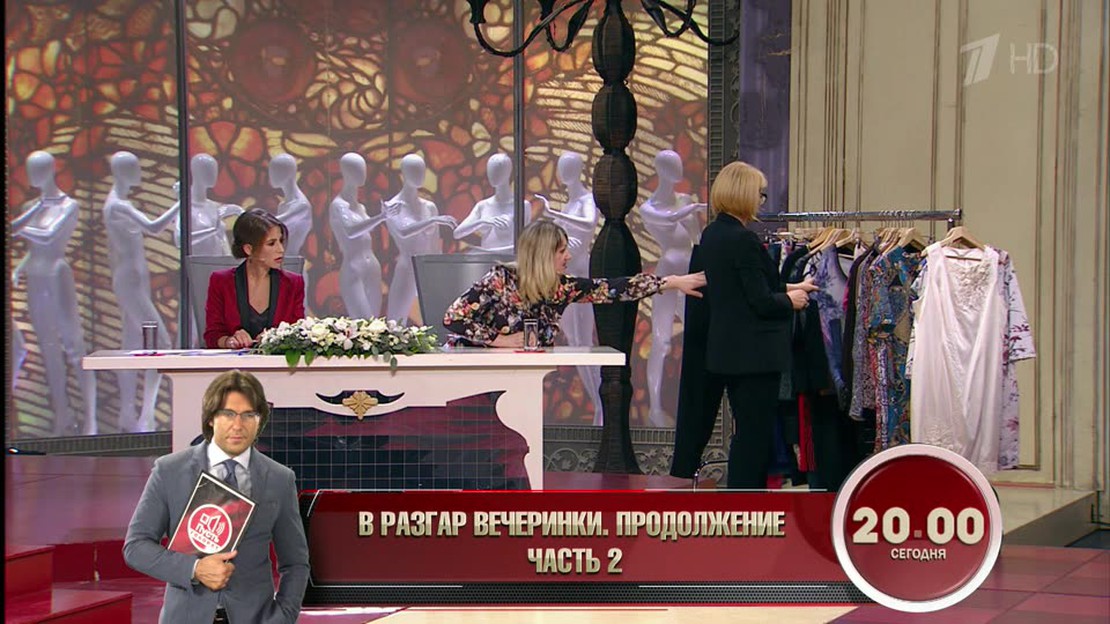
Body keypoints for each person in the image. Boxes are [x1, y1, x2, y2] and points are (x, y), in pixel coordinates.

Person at [123, 370, 309, 624]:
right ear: (211, 418)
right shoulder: (170, 471)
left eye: (249, 415)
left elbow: (296, 563)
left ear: (260, 420)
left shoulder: (279, 479)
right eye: (228, 414)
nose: (238, 425)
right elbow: (136, 547)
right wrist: (194, 569)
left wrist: (283, 617)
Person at [690, 161, 816, 489]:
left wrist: (791, 287)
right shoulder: (743, 239)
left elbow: (739, 287)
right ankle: (746, 502)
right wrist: (791, 301)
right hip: (754, 356)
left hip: (729, 352)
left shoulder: (713, 234)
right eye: (760, 194)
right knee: (753, 438)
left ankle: (744, 499)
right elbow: (759, 300)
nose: (762, 201)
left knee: (748, 432)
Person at [443, 219, 706, 349]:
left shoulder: (562, 288)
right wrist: (500, 340)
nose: (568, 256)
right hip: (474, 372)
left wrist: (670, 282)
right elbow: (453, 318)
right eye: (561, 251)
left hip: (520, 375)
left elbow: (612, 289)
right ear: (542, 255)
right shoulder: (500, 280)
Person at [11, 150, 98, 436]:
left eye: (37, 169)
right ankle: (62, 415)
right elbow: (30, 244)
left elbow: (49, 237)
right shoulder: (33, 206)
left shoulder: (68, 205)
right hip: (36, 278)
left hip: (57, 276)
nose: (32, 176)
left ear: (50, 170)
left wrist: (24, 227)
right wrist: (19, 268)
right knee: (49, 349)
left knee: (74, 347)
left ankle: (91, 419)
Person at [103, 151, 178, 432]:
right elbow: (154, 228)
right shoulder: (118, 205)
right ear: (122, 171)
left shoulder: (121, 203)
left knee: (132, 343)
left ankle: (129, 414)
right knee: (161, 344)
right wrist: (181, 203)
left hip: (135, 280)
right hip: (130, 282)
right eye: (134, 168)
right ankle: (147, 415)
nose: (139, 172)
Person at [533, 152, 603, 424]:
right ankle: (599, 406)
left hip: (580, 272)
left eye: (567, 168)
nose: (563, 173)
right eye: (561, 168)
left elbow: (589, 223)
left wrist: (554, 214)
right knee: (575, 342)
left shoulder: (586, 201)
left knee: (583, 342)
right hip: (563, 276)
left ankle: (601, 408)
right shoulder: (572, 202)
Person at [640, 149, 707, 427]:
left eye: (679, 163)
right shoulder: (649, 208)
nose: (678, 169)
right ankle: (655, 408)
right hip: (668, 275)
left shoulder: (686, 200)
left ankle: (694, 406)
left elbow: (697, 239)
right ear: (660, 169)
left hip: (692, 272)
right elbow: (666, 220)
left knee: (695, 337)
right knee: (662, 340)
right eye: (671, 165)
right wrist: (692, 209)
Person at [204, 209, 306, 349]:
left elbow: (298, 333)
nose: (281, 249)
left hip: (276, 362)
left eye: (281, 241)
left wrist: (275, 338)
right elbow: (212, 335)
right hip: (234, 361)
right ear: (249, 249)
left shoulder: (293, 284)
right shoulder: (221, 282)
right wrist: (230, 341)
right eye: (271, 243)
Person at [383, 153, 457, 322]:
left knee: (437, 317)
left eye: (422, 170)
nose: (420, 175)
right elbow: (403, 231)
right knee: (396, 318)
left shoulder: (429, 207)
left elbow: (435, 245)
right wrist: (431, 220)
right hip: (407, 267)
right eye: (414, 170)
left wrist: (439, 270)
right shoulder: (393, 206)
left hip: (427, 268)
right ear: (404, 172)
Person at [329, 152, 389, 318]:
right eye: (356, 169)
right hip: (353, 267)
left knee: (375, 322)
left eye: (363, 168)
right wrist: (381, 217)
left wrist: (387, 215)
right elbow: (351, 231)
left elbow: (367, 230)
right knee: (362, 320)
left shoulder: (361, 207)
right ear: (346, 172)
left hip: (372, 266)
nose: (362, 173)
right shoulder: (338, 205)